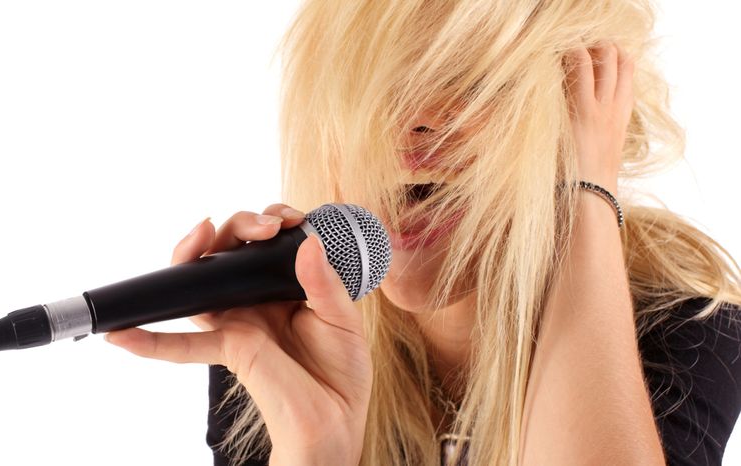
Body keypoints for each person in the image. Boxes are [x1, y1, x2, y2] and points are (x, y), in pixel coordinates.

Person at [104, 1, 741, 464]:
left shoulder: (685, 319)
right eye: (374, 88)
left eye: (469, 84)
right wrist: (312, 447)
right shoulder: (276, 333)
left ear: (570, 123)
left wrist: (586, 200)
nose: (411, 125)